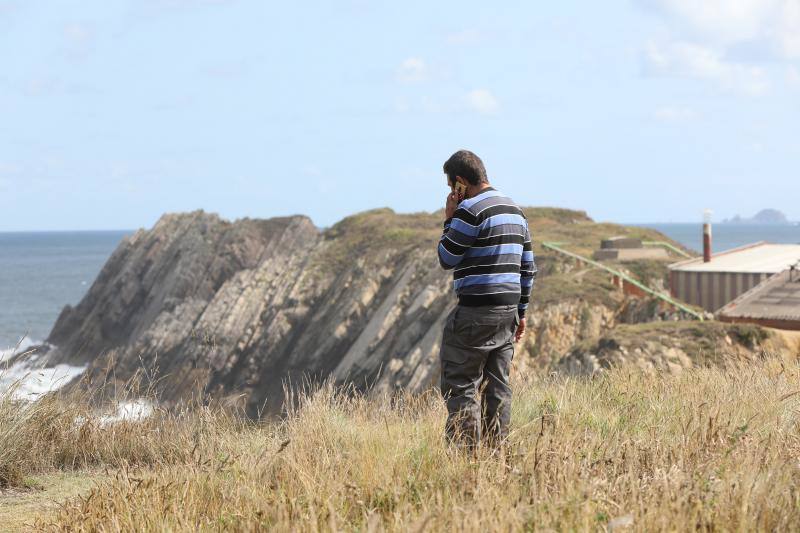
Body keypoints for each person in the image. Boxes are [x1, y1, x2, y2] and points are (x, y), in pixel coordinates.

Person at [437, 149, 536, 451]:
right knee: (498, 387)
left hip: (475, 312)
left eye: (452, 186)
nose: (453, 193)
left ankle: (466, 460)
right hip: (507, 312)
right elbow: (527, 268)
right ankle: (496, 456)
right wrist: (521, 312)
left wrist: (449, 219)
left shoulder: (470, 210)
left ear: (461, 182)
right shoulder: (515, 210)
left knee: (461, 384)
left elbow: (446, 257)